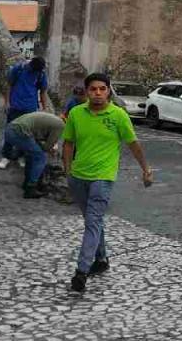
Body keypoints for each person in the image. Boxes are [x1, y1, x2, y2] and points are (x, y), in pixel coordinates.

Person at [63, 73, 154, 293]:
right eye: (93, 89)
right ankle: (101, 259)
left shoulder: (118, 115)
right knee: (92, 221)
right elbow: (68, 143)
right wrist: (68, 171)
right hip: (79, 176)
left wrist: (146, 169)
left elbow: (133, 144)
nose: (98, 93)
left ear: (109, 90)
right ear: (86, 92)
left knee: (92, 222)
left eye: (102, 88)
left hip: (103, 178)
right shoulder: (76, 113)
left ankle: (81, 272)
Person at [0, 57, 49, 169]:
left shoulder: (41, 74)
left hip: (30, 108)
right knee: (10, 131)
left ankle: (20, 156)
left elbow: (43, 91)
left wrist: (45, 108)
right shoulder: (18, 69)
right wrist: (7, 103)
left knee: (25, 134)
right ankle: (6, 156)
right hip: (15, 106)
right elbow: (9, 86)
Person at [3, 112, 65, 199]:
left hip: (10, 129)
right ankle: (31, 187)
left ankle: (27, 182)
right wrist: (50, 149)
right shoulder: (60, 125)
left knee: (32, 154)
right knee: (41, 157)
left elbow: (37, 138)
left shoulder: (52, 119)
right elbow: (47, 146)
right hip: (19, 132)